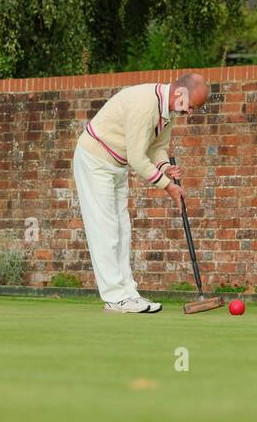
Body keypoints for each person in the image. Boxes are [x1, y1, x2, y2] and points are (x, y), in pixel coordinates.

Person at [73, 74, 209, 312]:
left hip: (115, 166)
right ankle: (115, 298)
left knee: (122, 229)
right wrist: (168, 185)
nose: (190, 113)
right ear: (180, 94)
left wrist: (165, 167)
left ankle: (128, 293)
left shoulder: (169, 113)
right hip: (95, 160)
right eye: (191, 107)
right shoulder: (145, 104)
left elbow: (157, 147)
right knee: (105, 229)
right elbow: (137, 158)